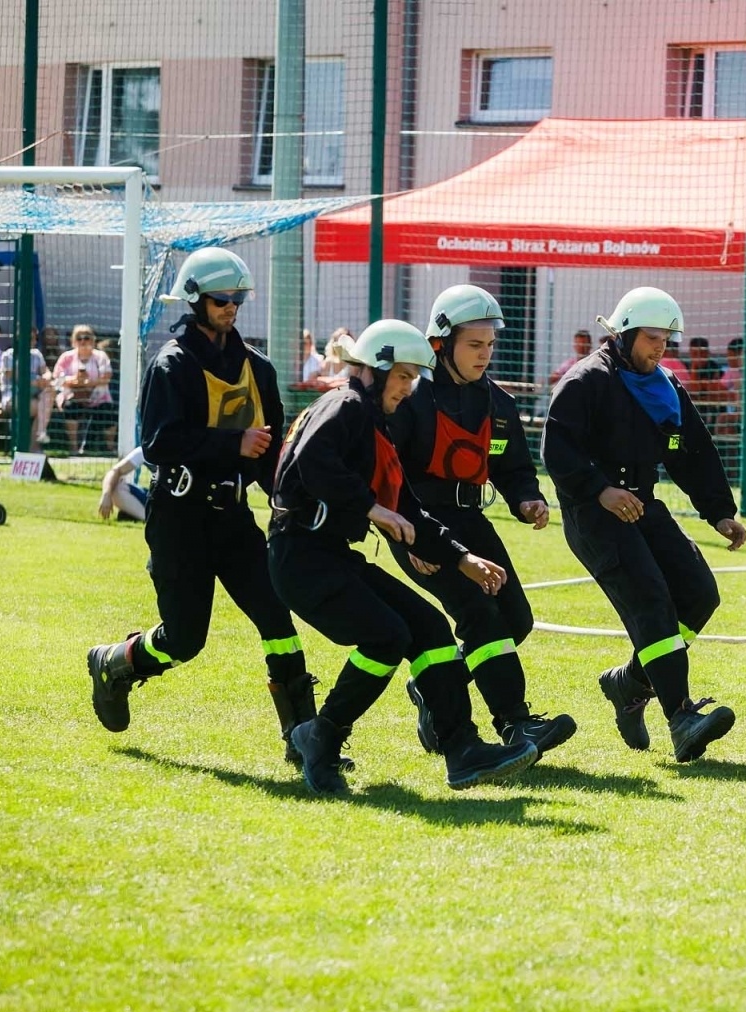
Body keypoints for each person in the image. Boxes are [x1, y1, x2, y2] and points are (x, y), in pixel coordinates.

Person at [270, 319, 536, 794]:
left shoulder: (372, 421)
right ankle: (321, 735)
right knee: (387, 637)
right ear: (376, 369)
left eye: (415, 378)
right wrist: (369, 507)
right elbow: (313, 463)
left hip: (331, 555)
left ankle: (463, 751)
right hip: (301, 559)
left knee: (431, 630)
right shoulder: (345, 405)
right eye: (404, 377)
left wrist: (460, 559)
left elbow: (406, 507)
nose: (410, 389)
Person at [85, 248, 323, 770]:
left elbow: (271, 450)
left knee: (276, 617)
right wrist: (231, 445)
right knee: (184, 641)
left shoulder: (258, 367)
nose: (231, 307)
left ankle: (306, 739)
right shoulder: (171, 364)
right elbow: (159, 443)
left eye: (238, 298)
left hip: (235, 520)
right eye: (221, 299)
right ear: (195, 300)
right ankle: (113, 663)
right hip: (179, 520)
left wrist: (290, 499)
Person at [542, 286, 744, 762]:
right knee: (651, 601)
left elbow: (693, 452)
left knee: (699, 594)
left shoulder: (667, 385)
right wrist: (600, 490)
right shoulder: (585, 381)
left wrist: (720, 511)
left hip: (644, 504)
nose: (660, 349)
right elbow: (558, 451)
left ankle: (630, 682)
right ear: (625, 333)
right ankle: (681, 717)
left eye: (666, 341)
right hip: (594, 512)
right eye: (653, 338)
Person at [386, 285, 577, 759]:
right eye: (475, 344)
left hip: (471, 519)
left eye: (490, 345)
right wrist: (408, 536)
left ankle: (434, 688)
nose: (485, 355)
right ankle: (516, 724)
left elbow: (512, 469)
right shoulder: (412, 399)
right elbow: (386, 473)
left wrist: (528, 500)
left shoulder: (498, 403)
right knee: (478, 613)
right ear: (440, 343)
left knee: (516, 618)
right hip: (420, 524)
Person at [54, 325, 114, 454]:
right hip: (72, 396)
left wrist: (88, 383)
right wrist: (75, 380)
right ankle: (74, 448)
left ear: (92, 340)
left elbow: (107, 377)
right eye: (79, 338)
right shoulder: (66, 357)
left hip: (98, 397)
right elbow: (57, 379)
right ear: (73, 341)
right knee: (71, 408)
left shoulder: (101, 356)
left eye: (86, 337)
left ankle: (110, 449)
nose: (83, 341)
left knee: (108, 411)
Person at [0, 327, 54, 447]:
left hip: (34, 394)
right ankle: (35, 445)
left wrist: (46, 377)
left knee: (49, 392)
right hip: (13, 397)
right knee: (39, 407)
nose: (33, 342)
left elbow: (46, 371)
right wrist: (35, 382)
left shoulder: (37, 354)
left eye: (34, 339)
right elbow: (13, 374)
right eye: (29, 339)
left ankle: (39, 434)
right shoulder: (8, 355)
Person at [98, 446, 148, 522]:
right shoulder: (144, 451)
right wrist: (106, 495)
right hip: (152, 497)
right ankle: (148, 519)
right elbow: (115, 471)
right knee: (115, 487)